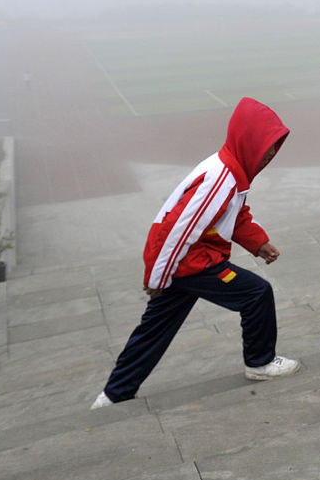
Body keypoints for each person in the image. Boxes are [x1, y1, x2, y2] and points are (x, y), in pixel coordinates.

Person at [91, 97, 299, 407]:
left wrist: (258, 243)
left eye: (275, 147)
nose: (271, 153)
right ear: (250, 140)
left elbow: (233, 215)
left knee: (155, 329)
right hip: (192, 263)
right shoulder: (221, 177)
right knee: (256, 293)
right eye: (268, 145)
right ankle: (260, 363)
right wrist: (157, 278)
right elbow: (177, 232)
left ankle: (113, 394)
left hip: (182, 263)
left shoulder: (231, 170)